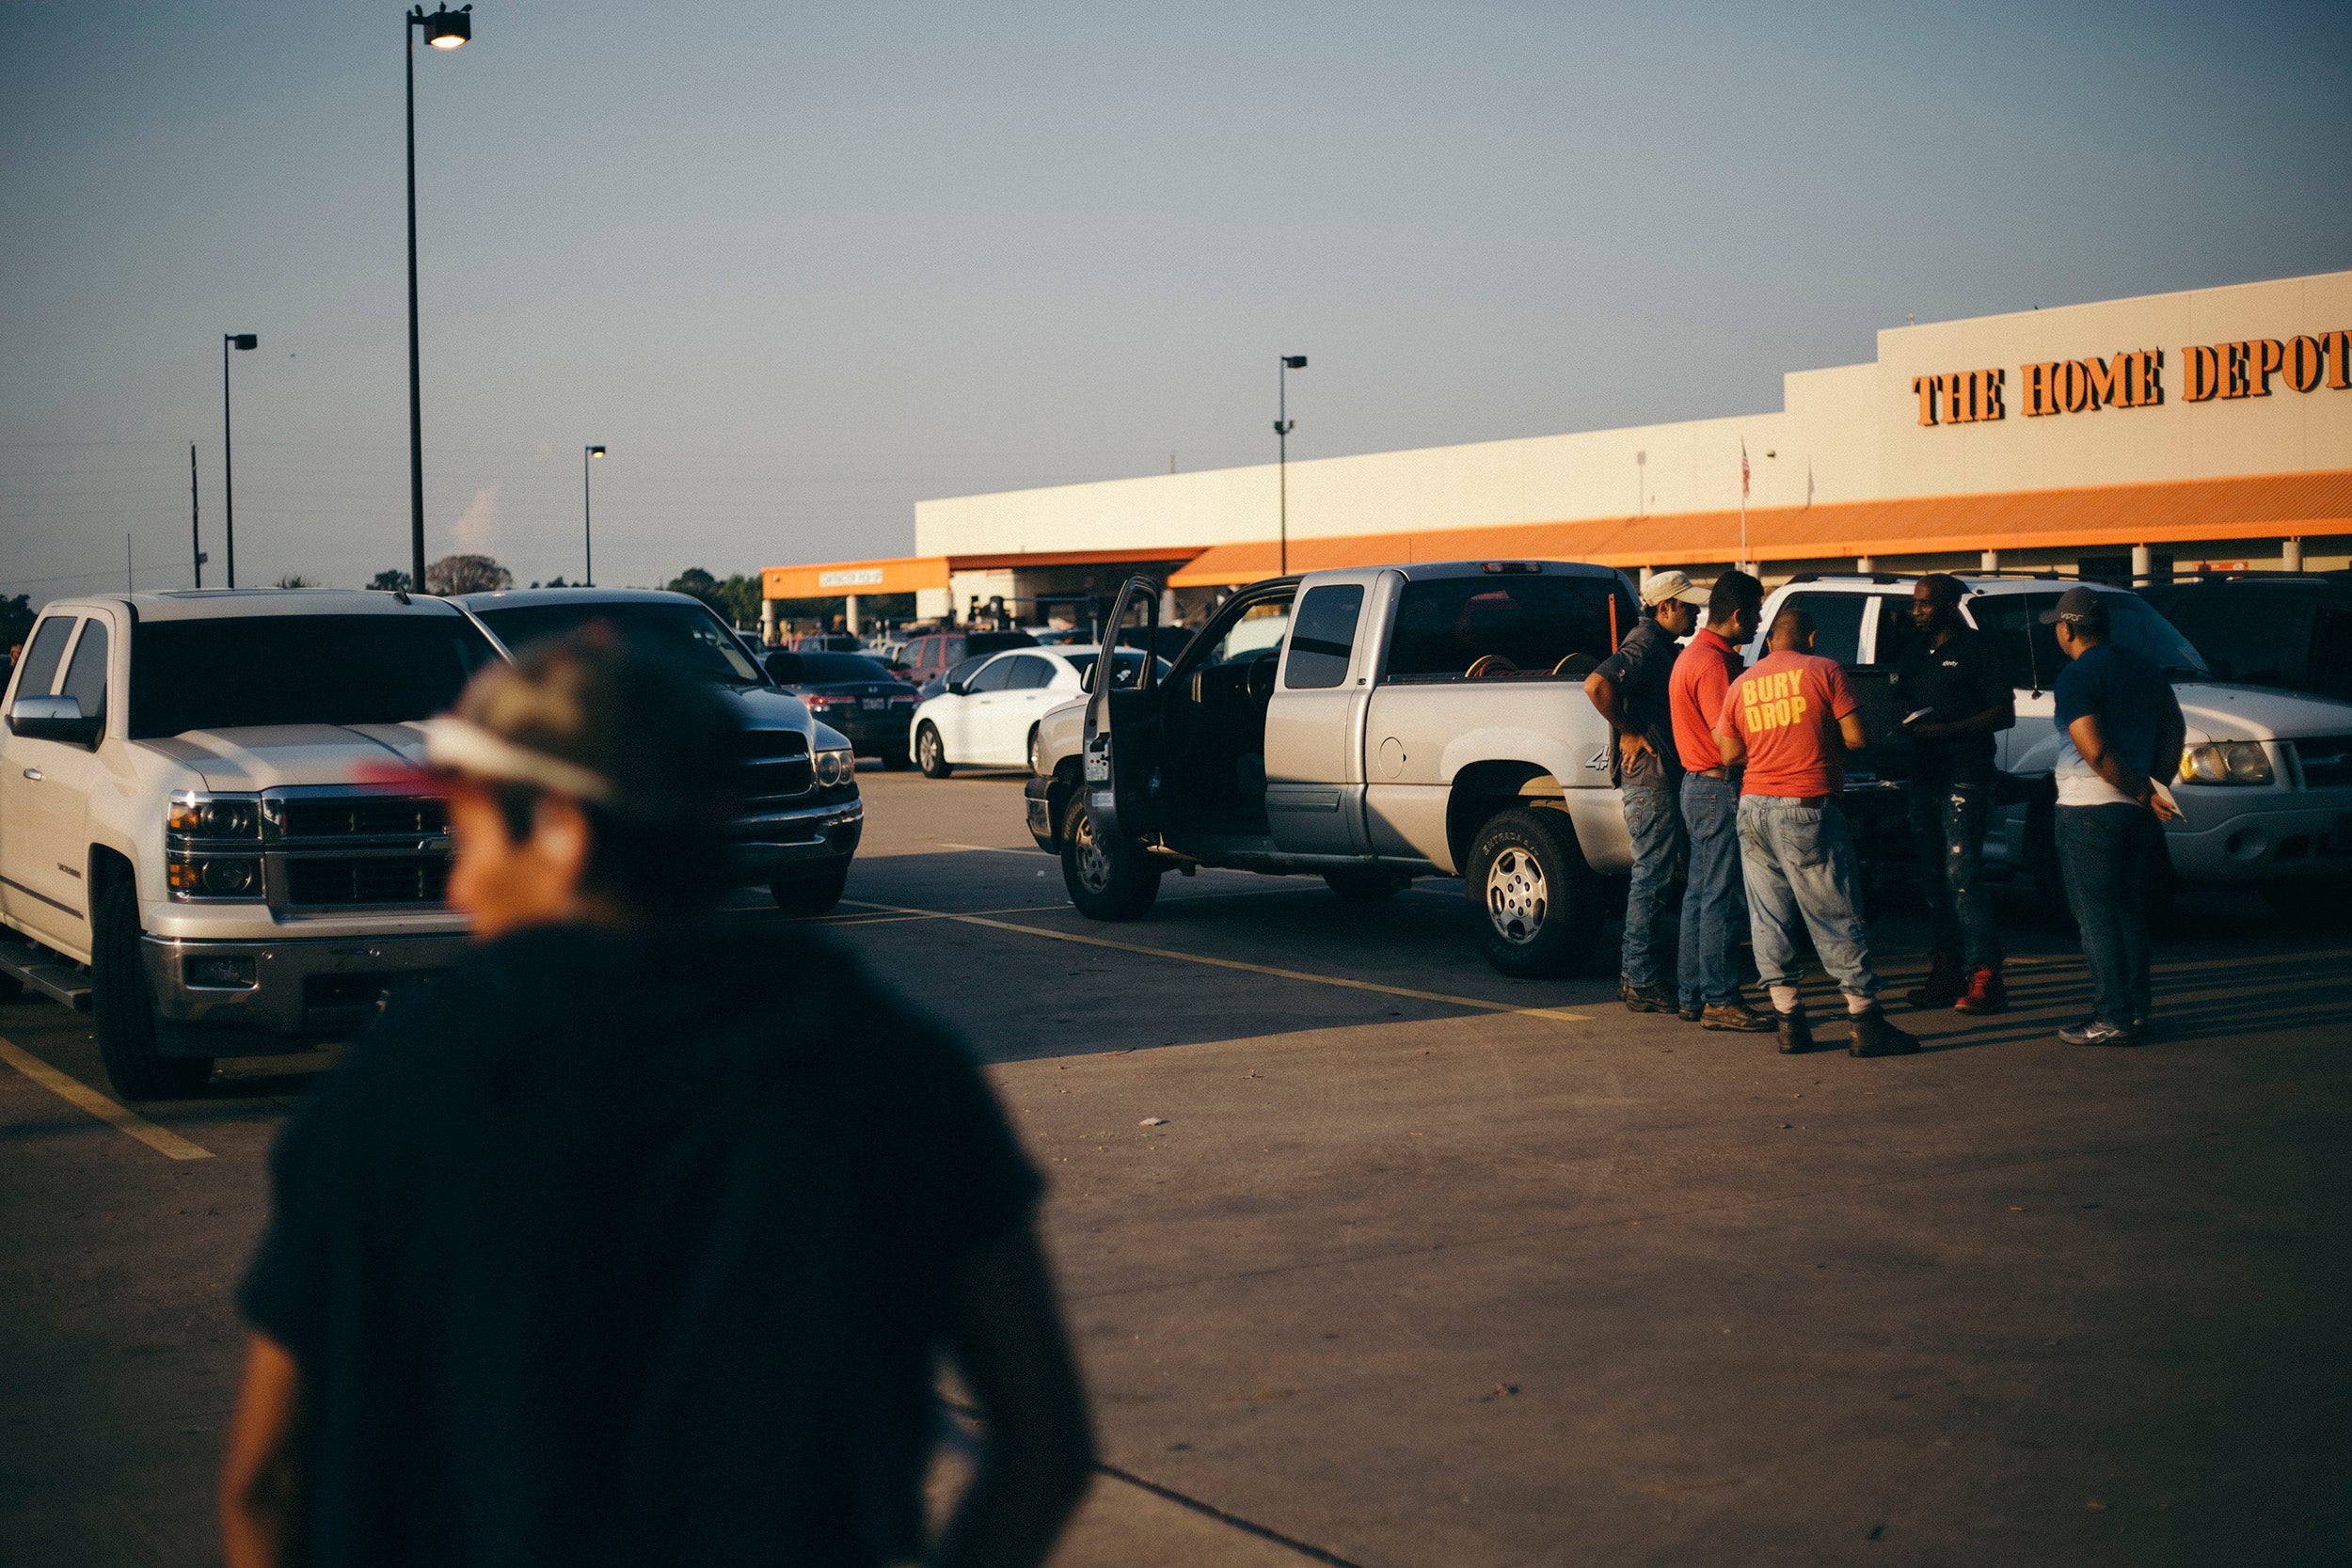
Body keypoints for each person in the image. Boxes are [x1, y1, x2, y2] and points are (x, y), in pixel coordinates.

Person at [221, 632, 1092, 1568]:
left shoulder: (395, 1091)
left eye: (473, 837)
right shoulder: (891, 1062)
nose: (461, 882)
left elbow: (268, 1483)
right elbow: (1042, 1442)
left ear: (561, 829)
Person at [1715, 608, 1921, 1058]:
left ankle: (1790, 1022)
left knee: (1767, 918)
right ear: (1810, 636)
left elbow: (1729, 752)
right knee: (1834, 913)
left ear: (1770, 642)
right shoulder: (1824, 669)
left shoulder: (1742, 683)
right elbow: (1858, 738)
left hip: (1752, 807)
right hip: (1806, 806)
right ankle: (1865, 1021)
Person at [2043, 586, 2185, 1047]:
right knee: (2127, 910)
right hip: (2137, 808)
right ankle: (2137, 1010)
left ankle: (2112, 1016)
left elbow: (2095, 751)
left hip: (2088, 808)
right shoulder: (2145, 667)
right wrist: (2154, 785)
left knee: (2096, 917)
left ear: (2067, 629)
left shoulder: (2075, 676)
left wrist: (2143, 791)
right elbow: (2174, 727)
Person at [1586, 569, 1710, 1013]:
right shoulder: (1643, 645)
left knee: (1655, 878)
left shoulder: (1660, 647)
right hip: (1650, 780)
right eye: (1689, 605)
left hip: (1658, 779)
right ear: (1665, 607)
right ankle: (1638, 980)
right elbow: (1597, 685)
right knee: (1652, 879)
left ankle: (1638, 977)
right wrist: (1630, 731)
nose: (1696, 613)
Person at [1894, 575, 2016, 1014]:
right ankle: (1945, 969)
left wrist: (1944, 731)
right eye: (1915, 604)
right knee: (1932, 878)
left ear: (1950, 605)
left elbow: (2005, 712)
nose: (1916, 611)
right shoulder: (1912, 653)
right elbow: (1903, 704)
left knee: (1962, 876)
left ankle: (1986, 974)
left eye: (1925, 604)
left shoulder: (1978, 649)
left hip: (1966, 776)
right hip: (1924, 777)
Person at [1667, 570, 1773, 1031]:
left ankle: (1693, 994)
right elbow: (1726, 739)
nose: (1758, 621)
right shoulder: (1712, 664)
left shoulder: (1696, 656)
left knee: (1699, 894)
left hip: (1698, 785)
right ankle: (1720, 997)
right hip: (1716, 785)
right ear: (1736, 614)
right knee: (1720, 898)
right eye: (1755, 613)